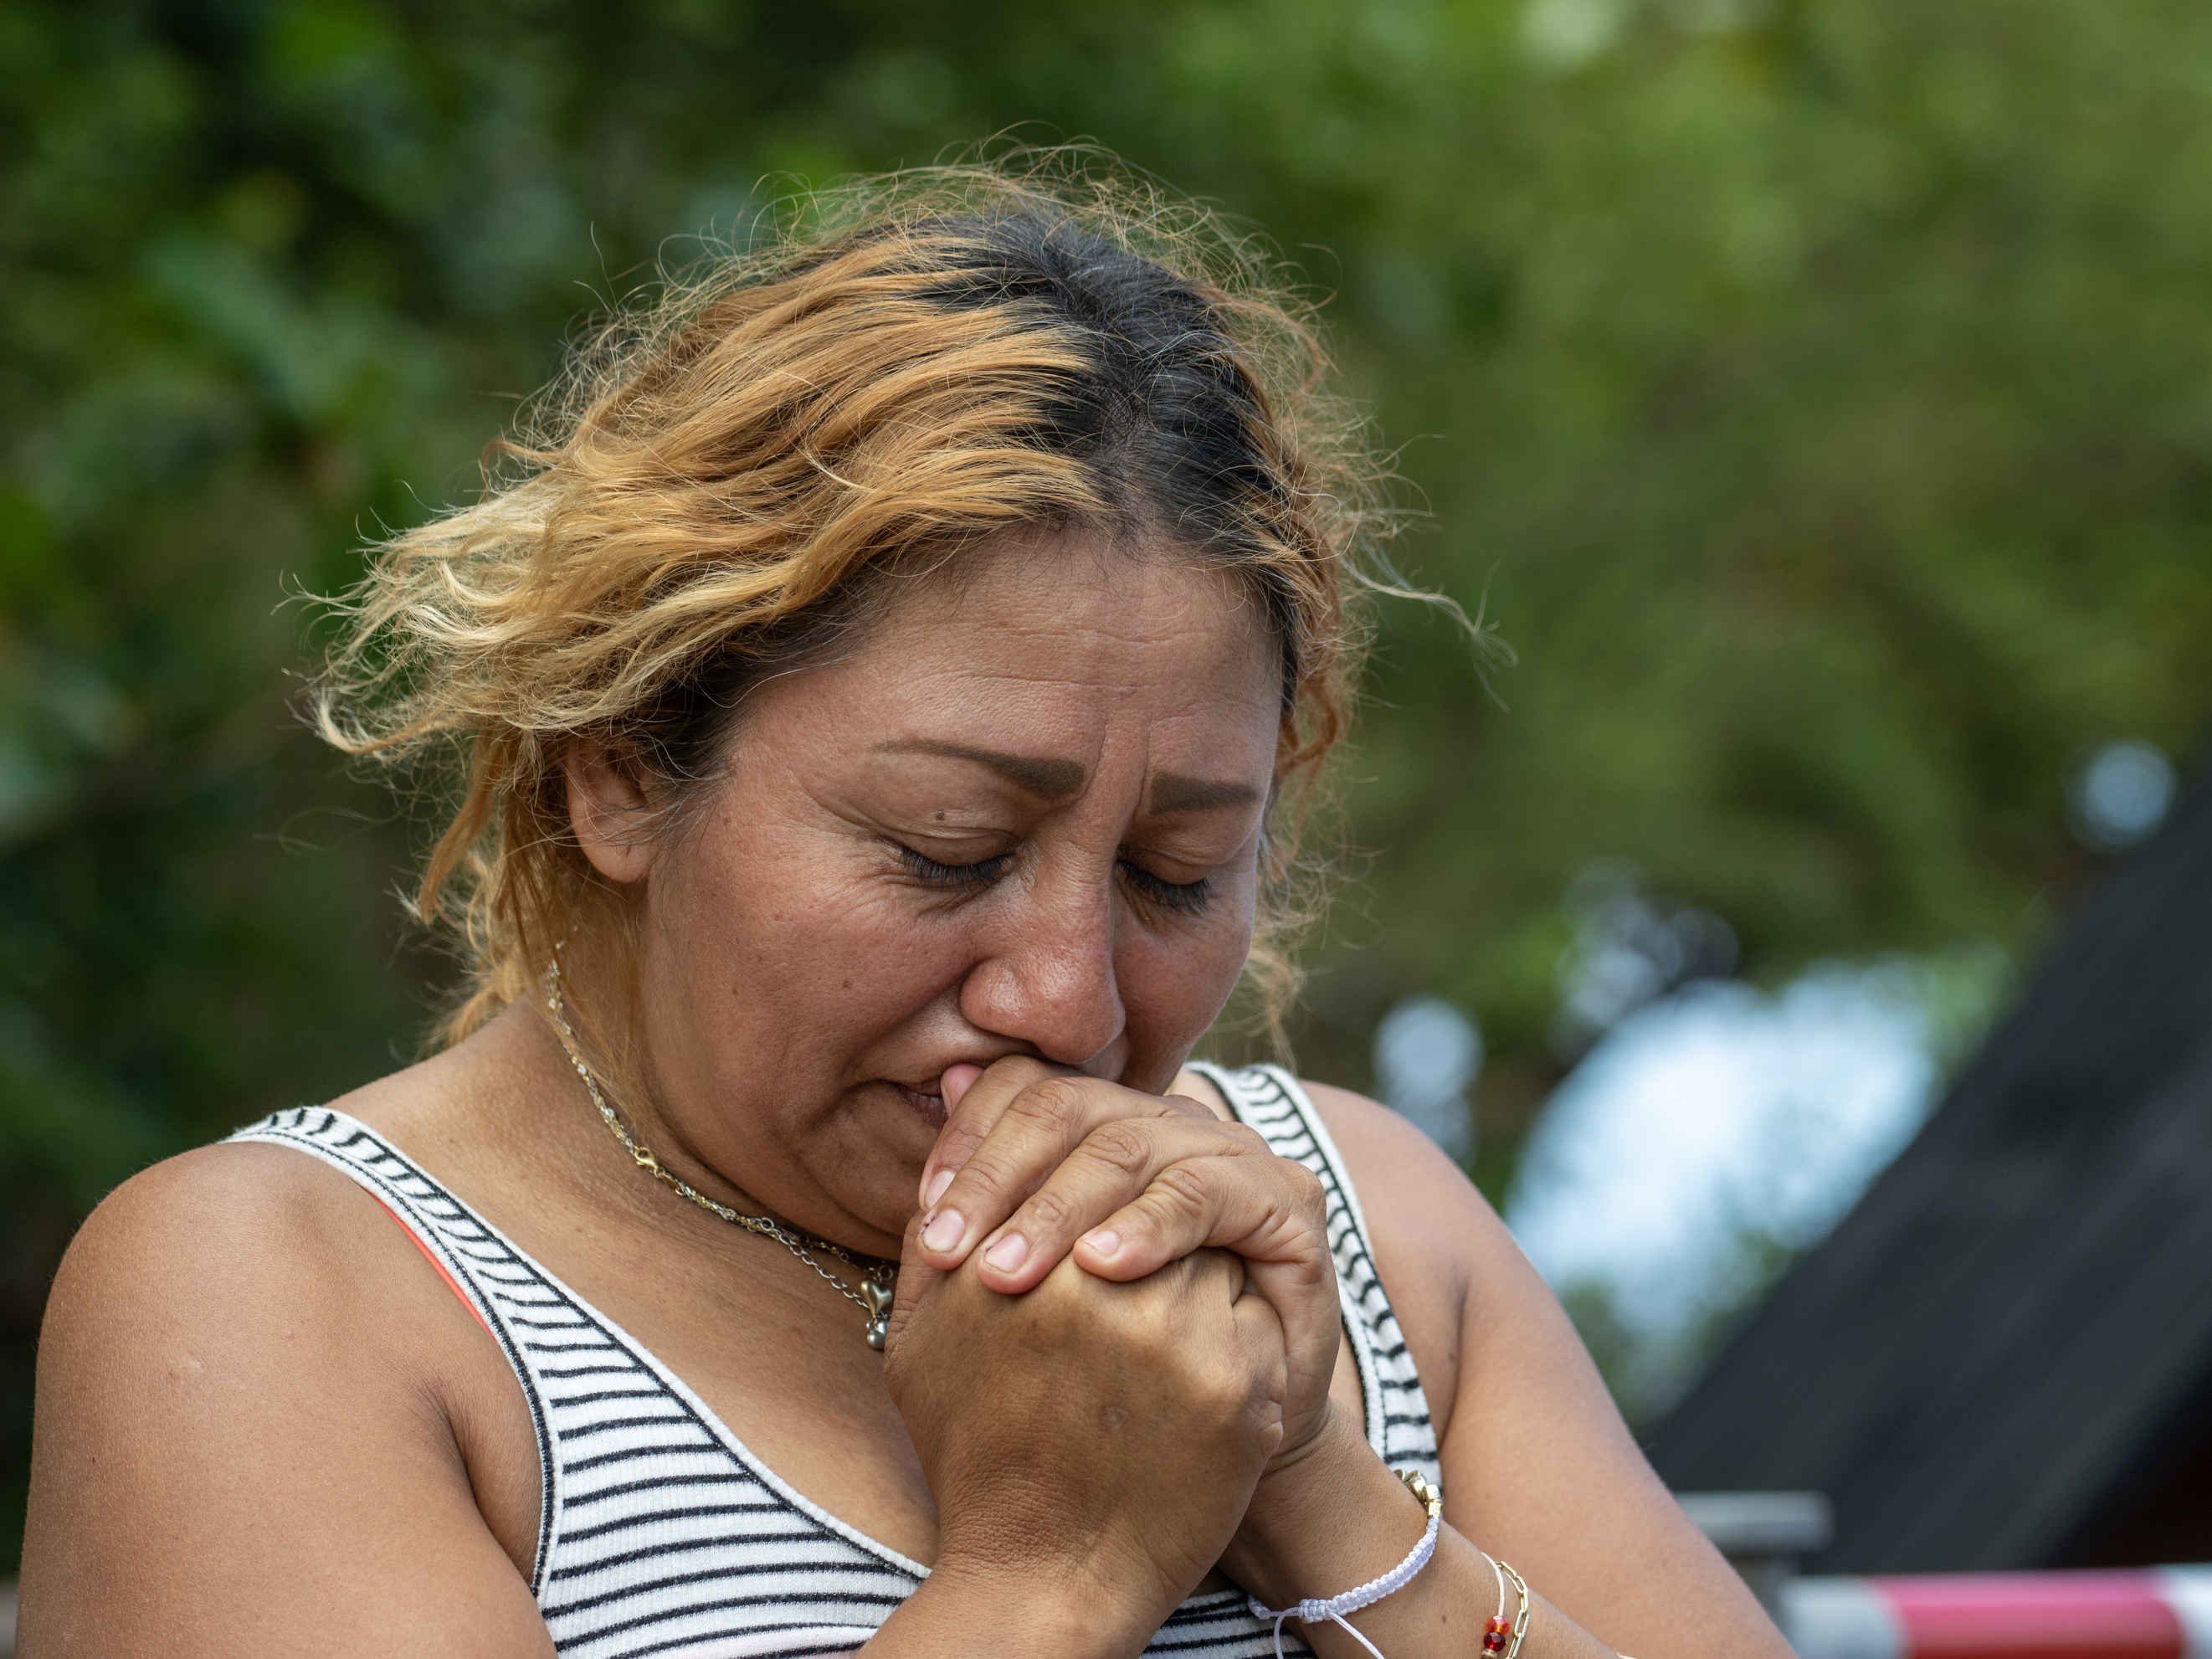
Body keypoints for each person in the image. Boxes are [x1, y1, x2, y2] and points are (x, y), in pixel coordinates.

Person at [19, 156, 1790, 1659]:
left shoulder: (1369, 1244)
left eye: (1174, 872)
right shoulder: (291, 1295)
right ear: (624, 764)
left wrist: (1321, 1503)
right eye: (946, 845)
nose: (1067, 1001)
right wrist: (1045, 1572)